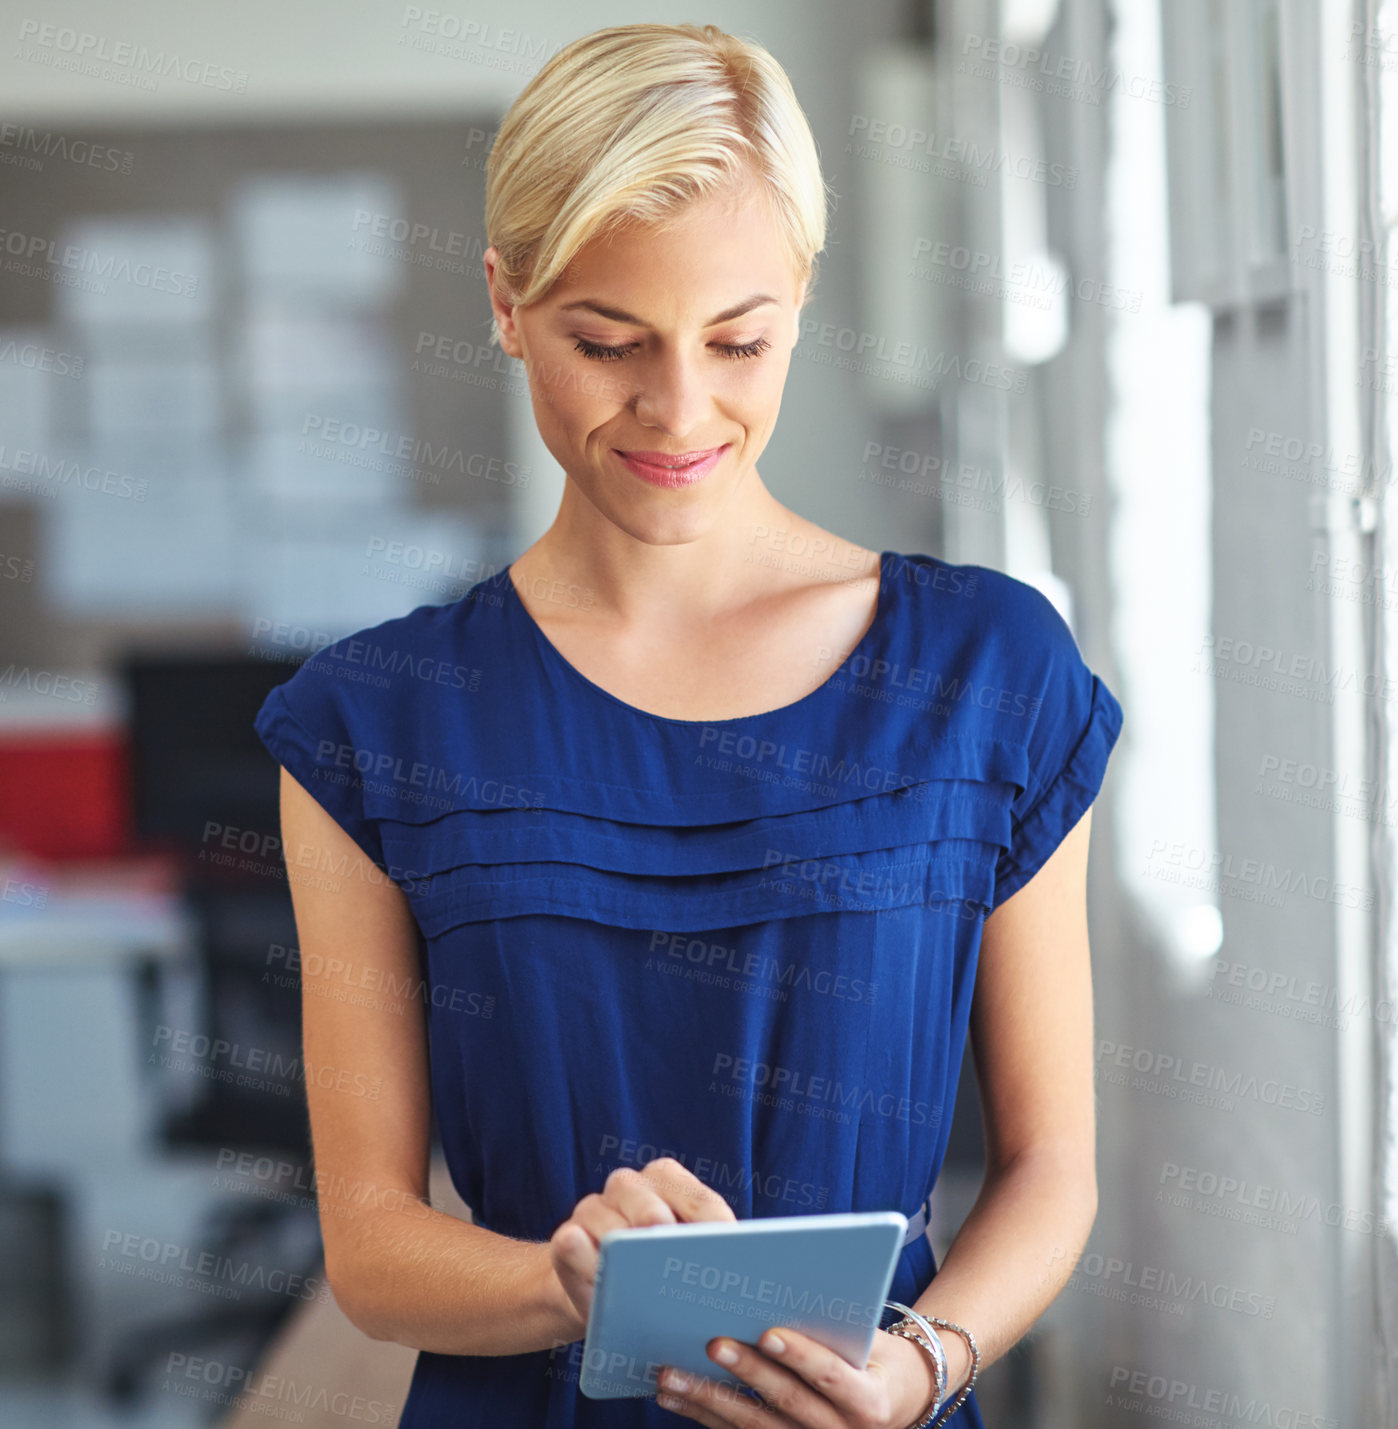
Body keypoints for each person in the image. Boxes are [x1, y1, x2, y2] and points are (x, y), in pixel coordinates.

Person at [253, 20, 1124, 1429]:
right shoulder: (376, 722)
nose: (677, 409)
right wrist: (568, 1278)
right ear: (503, 300)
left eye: (738, 339)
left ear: (800, 299)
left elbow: (1052, 1167)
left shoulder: (985, 673)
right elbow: (369, 1241)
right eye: (606, 342)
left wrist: (917, 1366)